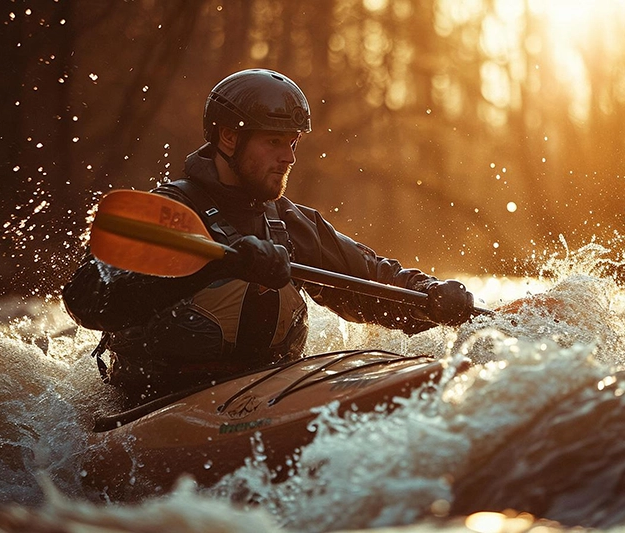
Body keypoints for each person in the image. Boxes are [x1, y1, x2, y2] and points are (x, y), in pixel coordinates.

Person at [62, 68, 476, 408]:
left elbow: (371, 281)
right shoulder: (169, 214)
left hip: (262, 400)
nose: (290, 157)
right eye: (274, 141)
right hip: (154, 405)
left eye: (293, 143)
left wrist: (432, 297)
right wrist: (212, 266)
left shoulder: (289, 222)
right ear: (228, 137)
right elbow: (88, 301)